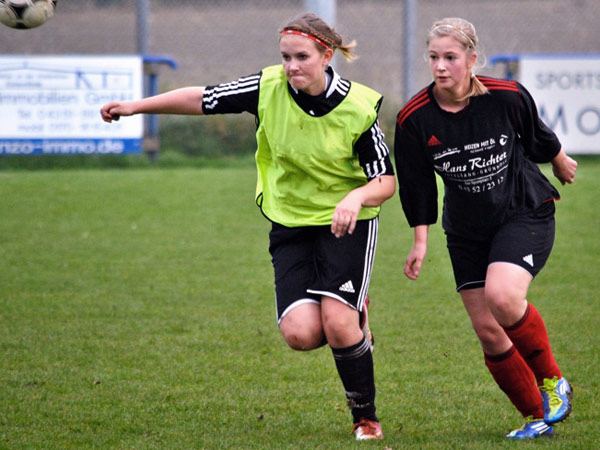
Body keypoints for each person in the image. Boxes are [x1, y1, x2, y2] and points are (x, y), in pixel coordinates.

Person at [101, 12, 395, 441]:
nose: (291, 66)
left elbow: (385, 182)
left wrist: (355, 197)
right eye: (285, 57)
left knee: (337, 324)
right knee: (300, 334)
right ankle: (355, 317)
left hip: (345, 224)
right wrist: (136, 107)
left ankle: (365, 418)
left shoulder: (359, 107)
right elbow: (202, 98)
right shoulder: (267, 87)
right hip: (289, 220)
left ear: (326, 56)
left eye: (301, 57)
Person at [393, 17, 577, 440]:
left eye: (450, 57)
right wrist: (420, 241)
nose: (440, 66)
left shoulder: (505, 96)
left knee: (503, 296)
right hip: (466, 230)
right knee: (489, 332)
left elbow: (537, 135)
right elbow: (417, 185)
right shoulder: (414, 118)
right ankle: (537, 417)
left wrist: (559, 160)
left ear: (472, 59)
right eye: (434, 57)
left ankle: (553, 381)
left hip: (523, 210)